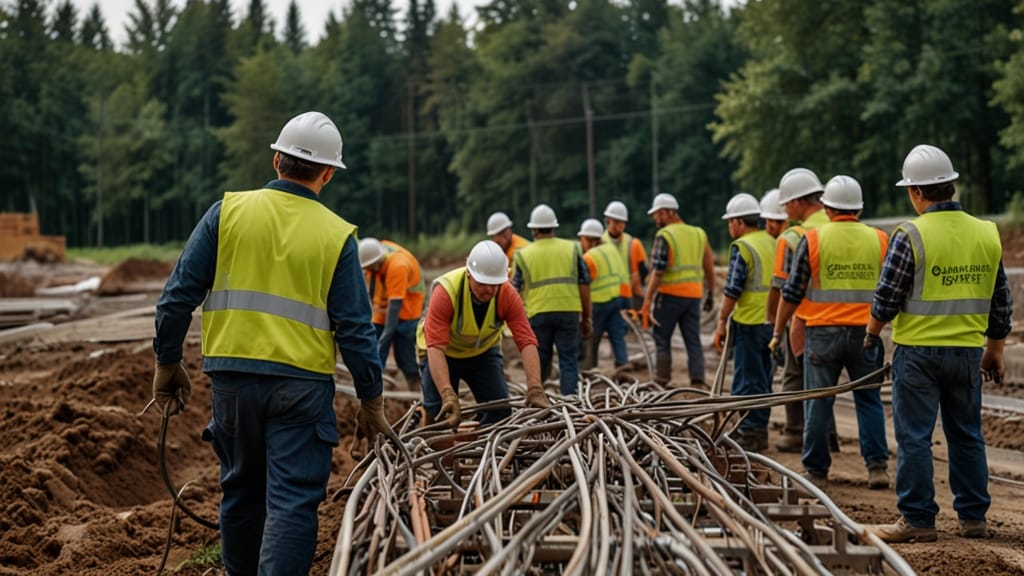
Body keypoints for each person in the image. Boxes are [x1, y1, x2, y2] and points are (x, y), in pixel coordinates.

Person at [150, 111, 391, 576]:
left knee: (241, 491)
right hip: (301, 389)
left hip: (233, 383)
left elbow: (176, 296)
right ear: (327, 174)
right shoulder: (337, 236)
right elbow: (357, 330)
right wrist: (371, 398)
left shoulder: (227, 212)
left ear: (278, 158)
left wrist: (167, 360)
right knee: (292, 502)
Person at [867, 145, 1010, 543]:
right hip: (967, 353)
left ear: (916, 192)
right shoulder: (986, 232)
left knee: (914, 436)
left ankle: (917, 519)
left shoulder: (910, 233)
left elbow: (887, 295)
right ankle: (974, 518)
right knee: (966, 433)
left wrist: (871, 332)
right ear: (950, 185)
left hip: (918, 354)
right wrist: (994, 349)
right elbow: (1001, 300)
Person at [772, 175, 890, 490]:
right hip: (867, 332)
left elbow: (792, 292)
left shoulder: (812, 239)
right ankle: (877, 467)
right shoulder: (880, 239)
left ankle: (816, 470)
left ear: (826, 207)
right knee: (869, 400)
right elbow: (891, 289)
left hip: (822, 333)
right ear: (859, 209)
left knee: (819, 401)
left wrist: (778, 328)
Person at [418, 240, 550, 426]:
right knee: (438, 413)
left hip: (482, 355)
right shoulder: (447, 292)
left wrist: (535, 387)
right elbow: (436, 348)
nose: (489, 290)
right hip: (442, 355)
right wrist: (448, 394)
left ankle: (485, 452)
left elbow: (526, 341)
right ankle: (435, 447)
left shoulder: (507, 294)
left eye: (494, 284)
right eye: (482, 283)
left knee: (499, 411)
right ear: (469, 274)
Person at [770, 168, 834, 453]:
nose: (784, 209)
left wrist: (776, 324)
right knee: (829, 383)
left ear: (797, 202)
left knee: (795, 377)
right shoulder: (841, 223)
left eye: (786, 203)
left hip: (805, 319)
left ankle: (796, 431)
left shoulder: (793, 236)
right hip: (848, 317)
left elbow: (784, 287)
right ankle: (829, 436)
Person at [712, 193, 775, 451]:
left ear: (738, 222)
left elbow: (732, 289)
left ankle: (748, 432)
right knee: (764, 379)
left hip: (749, 322)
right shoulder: (772, 242)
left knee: (747, 380)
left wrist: (721, 320)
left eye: (730, 222)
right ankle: (758, 431)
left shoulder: (743, 247)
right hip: (771, 323)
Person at [512, 204, 592, 395]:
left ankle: (538, 397)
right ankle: (570, 403)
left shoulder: (523, 255)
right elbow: (584, 285)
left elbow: (514, 291)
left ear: (533, 229)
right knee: (568, 360)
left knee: (539, 358)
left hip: (537, 313)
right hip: (568, 311)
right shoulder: (572, 249)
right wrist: (586, 317)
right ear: (554, 227)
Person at [640, 193, 715, 387]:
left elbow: (657, 271)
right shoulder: (699, 233)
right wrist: (711, 293)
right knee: (693, 340)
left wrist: (647, 301)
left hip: (669, 297)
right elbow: (709, 265)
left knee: (662, 338)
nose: (655, 219)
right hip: (693, 296)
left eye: (656, 215)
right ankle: (697, 380)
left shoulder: (665, 235)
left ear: (665, 213)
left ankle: (662, 379)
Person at [359, 237, 425, 390]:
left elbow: (394, 308)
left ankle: (415, 388)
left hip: (407, 312)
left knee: (404, 355)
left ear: (376, 263)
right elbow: (369, 290)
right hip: (383, 309)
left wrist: (385, 339)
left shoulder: (398, 266)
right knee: (374, 349)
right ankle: (373, 386)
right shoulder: (373, 254)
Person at [577, 218, 630, 371]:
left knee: (591, 338)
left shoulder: (589, 258)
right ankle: (623, 364)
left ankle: (589, 369)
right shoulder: (611, 249)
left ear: (587, 239)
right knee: (617, 334)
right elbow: (622, 274)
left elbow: (584, 284)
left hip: (598, 303)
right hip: (616, 299)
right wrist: (627, 303)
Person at [602, 200, 649, 309]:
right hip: (607, 296)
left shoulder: (633, 243)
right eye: (615, 221)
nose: (618, 225)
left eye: (621, 222)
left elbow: (644, 272)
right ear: (607, 221)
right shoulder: (599, 243)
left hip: (632, 296)